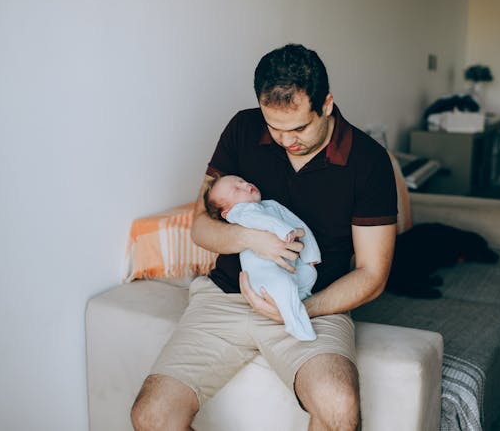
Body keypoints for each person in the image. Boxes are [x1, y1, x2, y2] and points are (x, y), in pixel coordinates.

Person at [131, 43, 397, 431]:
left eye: (299, 128)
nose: (287, 140)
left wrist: (300, 308)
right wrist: (252, 240)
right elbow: (201, 226)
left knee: (340, 408)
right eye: (275, 128)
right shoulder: (242, 128)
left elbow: (373, 274)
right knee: (151, 415)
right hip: (227, 296)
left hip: (314, 301)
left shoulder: (369, 162)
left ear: (326, 104)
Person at [204, 173, 320, 341]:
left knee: (309, 274)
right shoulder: (239, 213)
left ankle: (296, 300)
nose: (245, 185)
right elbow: (261, 221)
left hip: (288, 268)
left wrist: (311, 255)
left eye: (243, 181)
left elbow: (299, 225)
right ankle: (294, 321)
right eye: (237, 189)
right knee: (282, 284)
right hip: (264, 273)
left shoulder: (271, 205)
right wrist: (284, 230)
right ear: (226, 212)